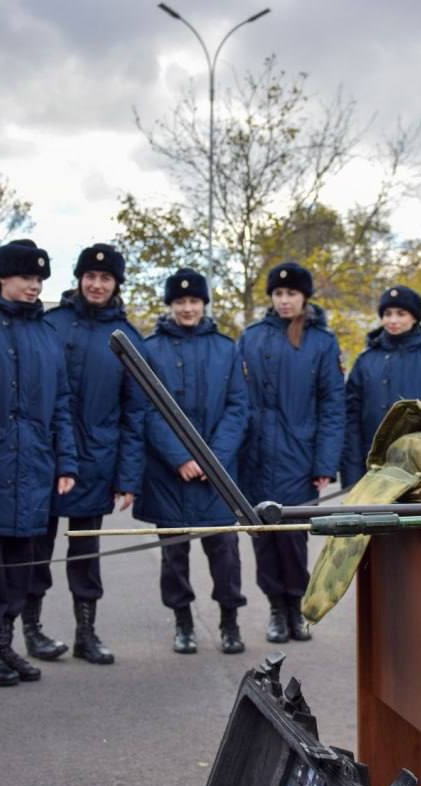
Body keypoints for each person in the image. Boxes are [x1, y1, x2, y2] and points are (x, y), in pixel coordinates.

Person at [0, 239, 77, 687]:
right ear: (2, 277)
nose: (34, 286)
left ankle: (5, 643)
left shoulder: (47, 333)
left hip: (36, 469)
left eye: (40, 279)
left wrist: (67, 462)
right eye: (26, 277)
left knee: (23, 563)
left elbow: (61, 403)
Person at [30, 244, 146, 665]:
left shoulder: (126, 338)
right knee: (35, 549)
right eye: (90, 276)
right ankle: (32, 629)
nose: (97, 285)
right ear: (79, 278)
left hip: (98, 462)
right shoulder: (50, 325)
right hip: (46, 459)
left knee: (85, 554)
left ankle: (86, 633)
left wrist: (128, 477)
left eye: (106, 278)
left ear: (116, 284)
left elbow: (136, 413)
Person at [136, 269, 249, 655]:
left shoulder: (226, 348)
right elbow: (148, 410)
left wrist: (212, 459)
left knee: (225, 553)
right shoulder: (150, 349)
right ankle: (182, 621)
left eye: (194, 301)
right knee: (174, 553)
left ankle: (229, 622)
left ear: (204, 304)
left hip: (217, 476)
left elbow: (237, 407)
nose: (187, 308)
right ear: (170, 305)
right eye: (180, 302)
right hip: (171, 476)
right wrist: (180, 457)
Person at [238, 262, 345, 643]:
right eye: (279, 294)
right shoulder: (251, 337)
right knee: (263, 538)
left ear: (304, 298)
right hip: (254, 458)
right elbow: (236, 399)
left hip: (299, 459)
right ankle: (274, 611)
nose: (284, 301)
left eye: (292, 295)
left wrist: (324, 463)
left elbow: (332, 405)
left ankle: (295, 608)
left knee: (293, 539)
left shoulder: (321, 341)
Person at [340, 285, 421, 488]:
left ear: (414, 317)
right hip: (371, 466)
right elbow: (351, 419)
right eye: (387, 314)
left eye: (401, 314)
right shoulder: (366, 360)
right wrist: (351, 473)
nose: (393, 320)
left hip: (419, 467)